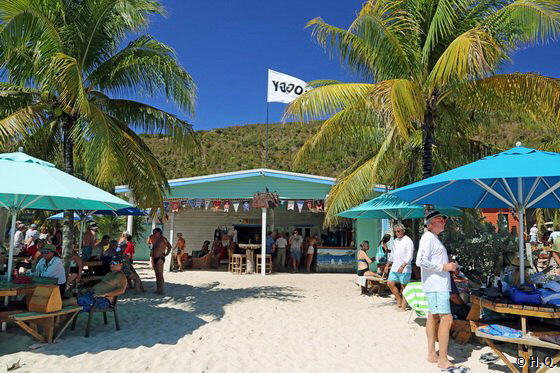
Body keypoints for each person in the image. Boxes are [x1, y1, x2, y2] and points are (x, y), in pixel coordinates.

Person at [416, 210, 463, 371]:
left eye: (444, 220)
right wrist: (443, 267)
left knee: (433, 316)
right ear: (430, 224)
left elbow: (432, 261)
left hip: (436, 284)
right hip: (436, 285)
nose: (443, 222)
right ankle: (442, 359)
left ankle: (432, 354)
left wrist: (449, 267)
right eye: (439, 220)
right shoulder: (428, 238)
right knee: (446, 319)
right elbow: (420, 261)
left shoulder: (433, 239)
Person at [385, 223, 414, 311]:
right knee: (390, 283)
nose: (397, 233)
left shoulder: (408, 240)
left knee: (404, 287)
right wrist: (387, 265)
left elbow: (410, 255)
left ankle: (403, 307)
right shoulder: (395, 241)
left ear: (403, 231)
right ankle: (399, 301)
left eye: (398, 231)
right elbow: (392, 255)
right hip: (394, 267)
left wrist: (403, 266)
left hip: (404, 268)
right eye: (395, 232)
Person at [151, 228, 172, 294]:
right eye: (153, 233)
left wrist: (166, 254)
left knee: (160, 274)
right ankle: (158, 289)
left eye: (155, 233)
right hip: (155, 258)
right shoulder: (155, 239)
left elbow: (169, 246)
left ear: (159, 232)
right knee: (156, 274)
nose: (154, 234)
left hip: (160, 258)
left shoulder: (163, 239)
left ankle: (161, 290)